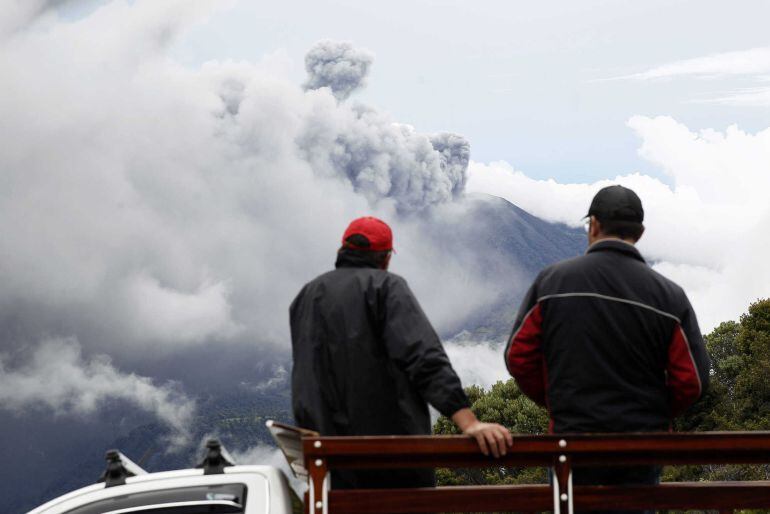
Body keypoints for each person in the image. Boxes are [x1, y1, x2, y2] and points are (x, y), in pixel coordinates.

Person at [504, 185, 710, 509]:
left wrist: (558, 401)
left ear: (594, 225)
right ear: (639, 234)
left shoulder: (552, 282)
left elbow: (518, 357)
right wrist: (650, 413)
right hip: (639, 450)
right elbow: (693, 381)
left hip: (569, 443)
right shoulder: (669, 296)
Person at [290, 216, 512, 489]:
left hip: (326, 463)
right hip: (390, 460)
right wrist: (468, 422)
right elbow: (424, 358)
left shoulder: (306, 297)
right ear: (385, 259)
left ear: (341, 251)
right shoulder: (386, 288)